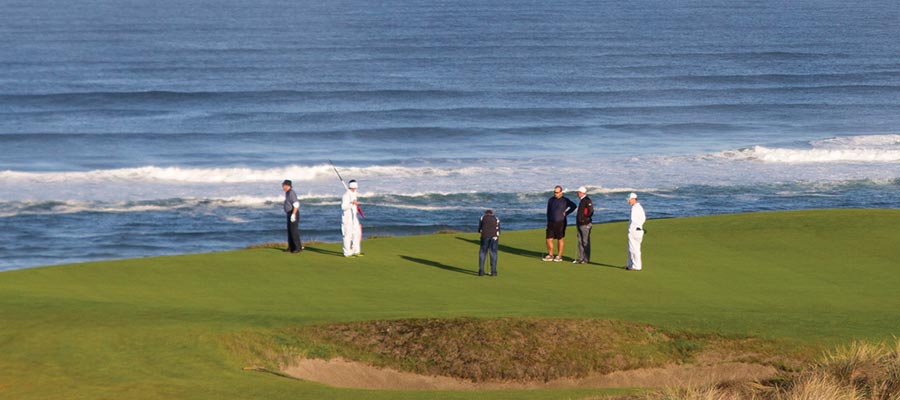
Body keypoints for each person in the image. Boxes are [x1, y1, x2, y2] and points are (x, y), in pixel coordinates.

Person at [543, 185, 577, 262]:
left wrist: (567, 213)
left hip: (560, 222)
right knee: (548, 239)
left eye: (557, 192)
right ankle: (550, 255)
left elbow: (574, 206)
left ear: (561, 192)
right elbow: (548, 211)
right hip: (551, 222)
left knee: (560, 238)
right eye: (555, 192)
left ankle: (559, 256)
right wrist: (548, 221)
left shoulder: (565, 200)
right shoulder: (551, 200)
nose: (556, 194)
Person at [341, 179, 363, 257]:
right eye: (353, 188)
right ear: (350, 187)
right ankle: (347, 253)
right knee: (347, 235)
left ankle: (356, 251)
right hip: (347, 218)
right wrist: (351, 203)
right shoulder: (346, 195)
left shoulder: (354, 193)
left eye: (355, 188)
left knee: (357, 233)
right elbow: (343, 207)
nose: (354, 189)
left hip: (354, 217)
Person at [573, 186, 593, 264]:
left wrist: (585, 220)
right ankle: (581, 258)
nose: (577, 194)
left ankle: (586, 259)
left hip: (585, 224)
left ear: (582, 193)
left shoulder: (587, 200)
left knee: (585, 241)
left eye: (578, 192)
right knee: (580, 241)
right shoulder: (582, 200)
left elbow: (590, 211)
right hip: (580, 223)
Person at [626, 192, 646, 271]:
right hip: (639, 230)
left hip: (634, 230)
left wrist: (635, 227)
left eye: (629, 200)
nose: (628, 201)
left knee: (634, 249)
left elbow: (634, 220)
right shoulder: (639, 207)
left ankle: (636, 266)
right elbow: (643, 218)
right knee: (633, 248)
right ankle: (630, 264)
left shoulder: (635, 208)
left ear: (634, 199)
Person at [282, 179, 303, 253]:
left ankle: (298, 248)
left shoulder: (291, 193)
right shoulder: (287, 192)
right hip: (289, 213)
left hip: (293, 213)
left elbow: (296, 204)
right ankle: (291, 247)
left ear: (288, 186)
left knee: (294, 231)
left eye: (283, 185)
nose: (282, 187)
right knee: (289, 231)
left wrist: (293, 215)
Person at [477, 209, 500, 276]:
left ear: (485, 213)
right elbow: (498, 229)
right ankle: (493, 271)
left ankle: (481, 271)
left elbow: (479, 229)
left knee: (483, 252)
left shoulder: (482, 217)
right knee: (493, 253)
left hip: (485, 236)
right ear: (492, 213)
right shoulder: (496, 218)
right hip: (494, 237)